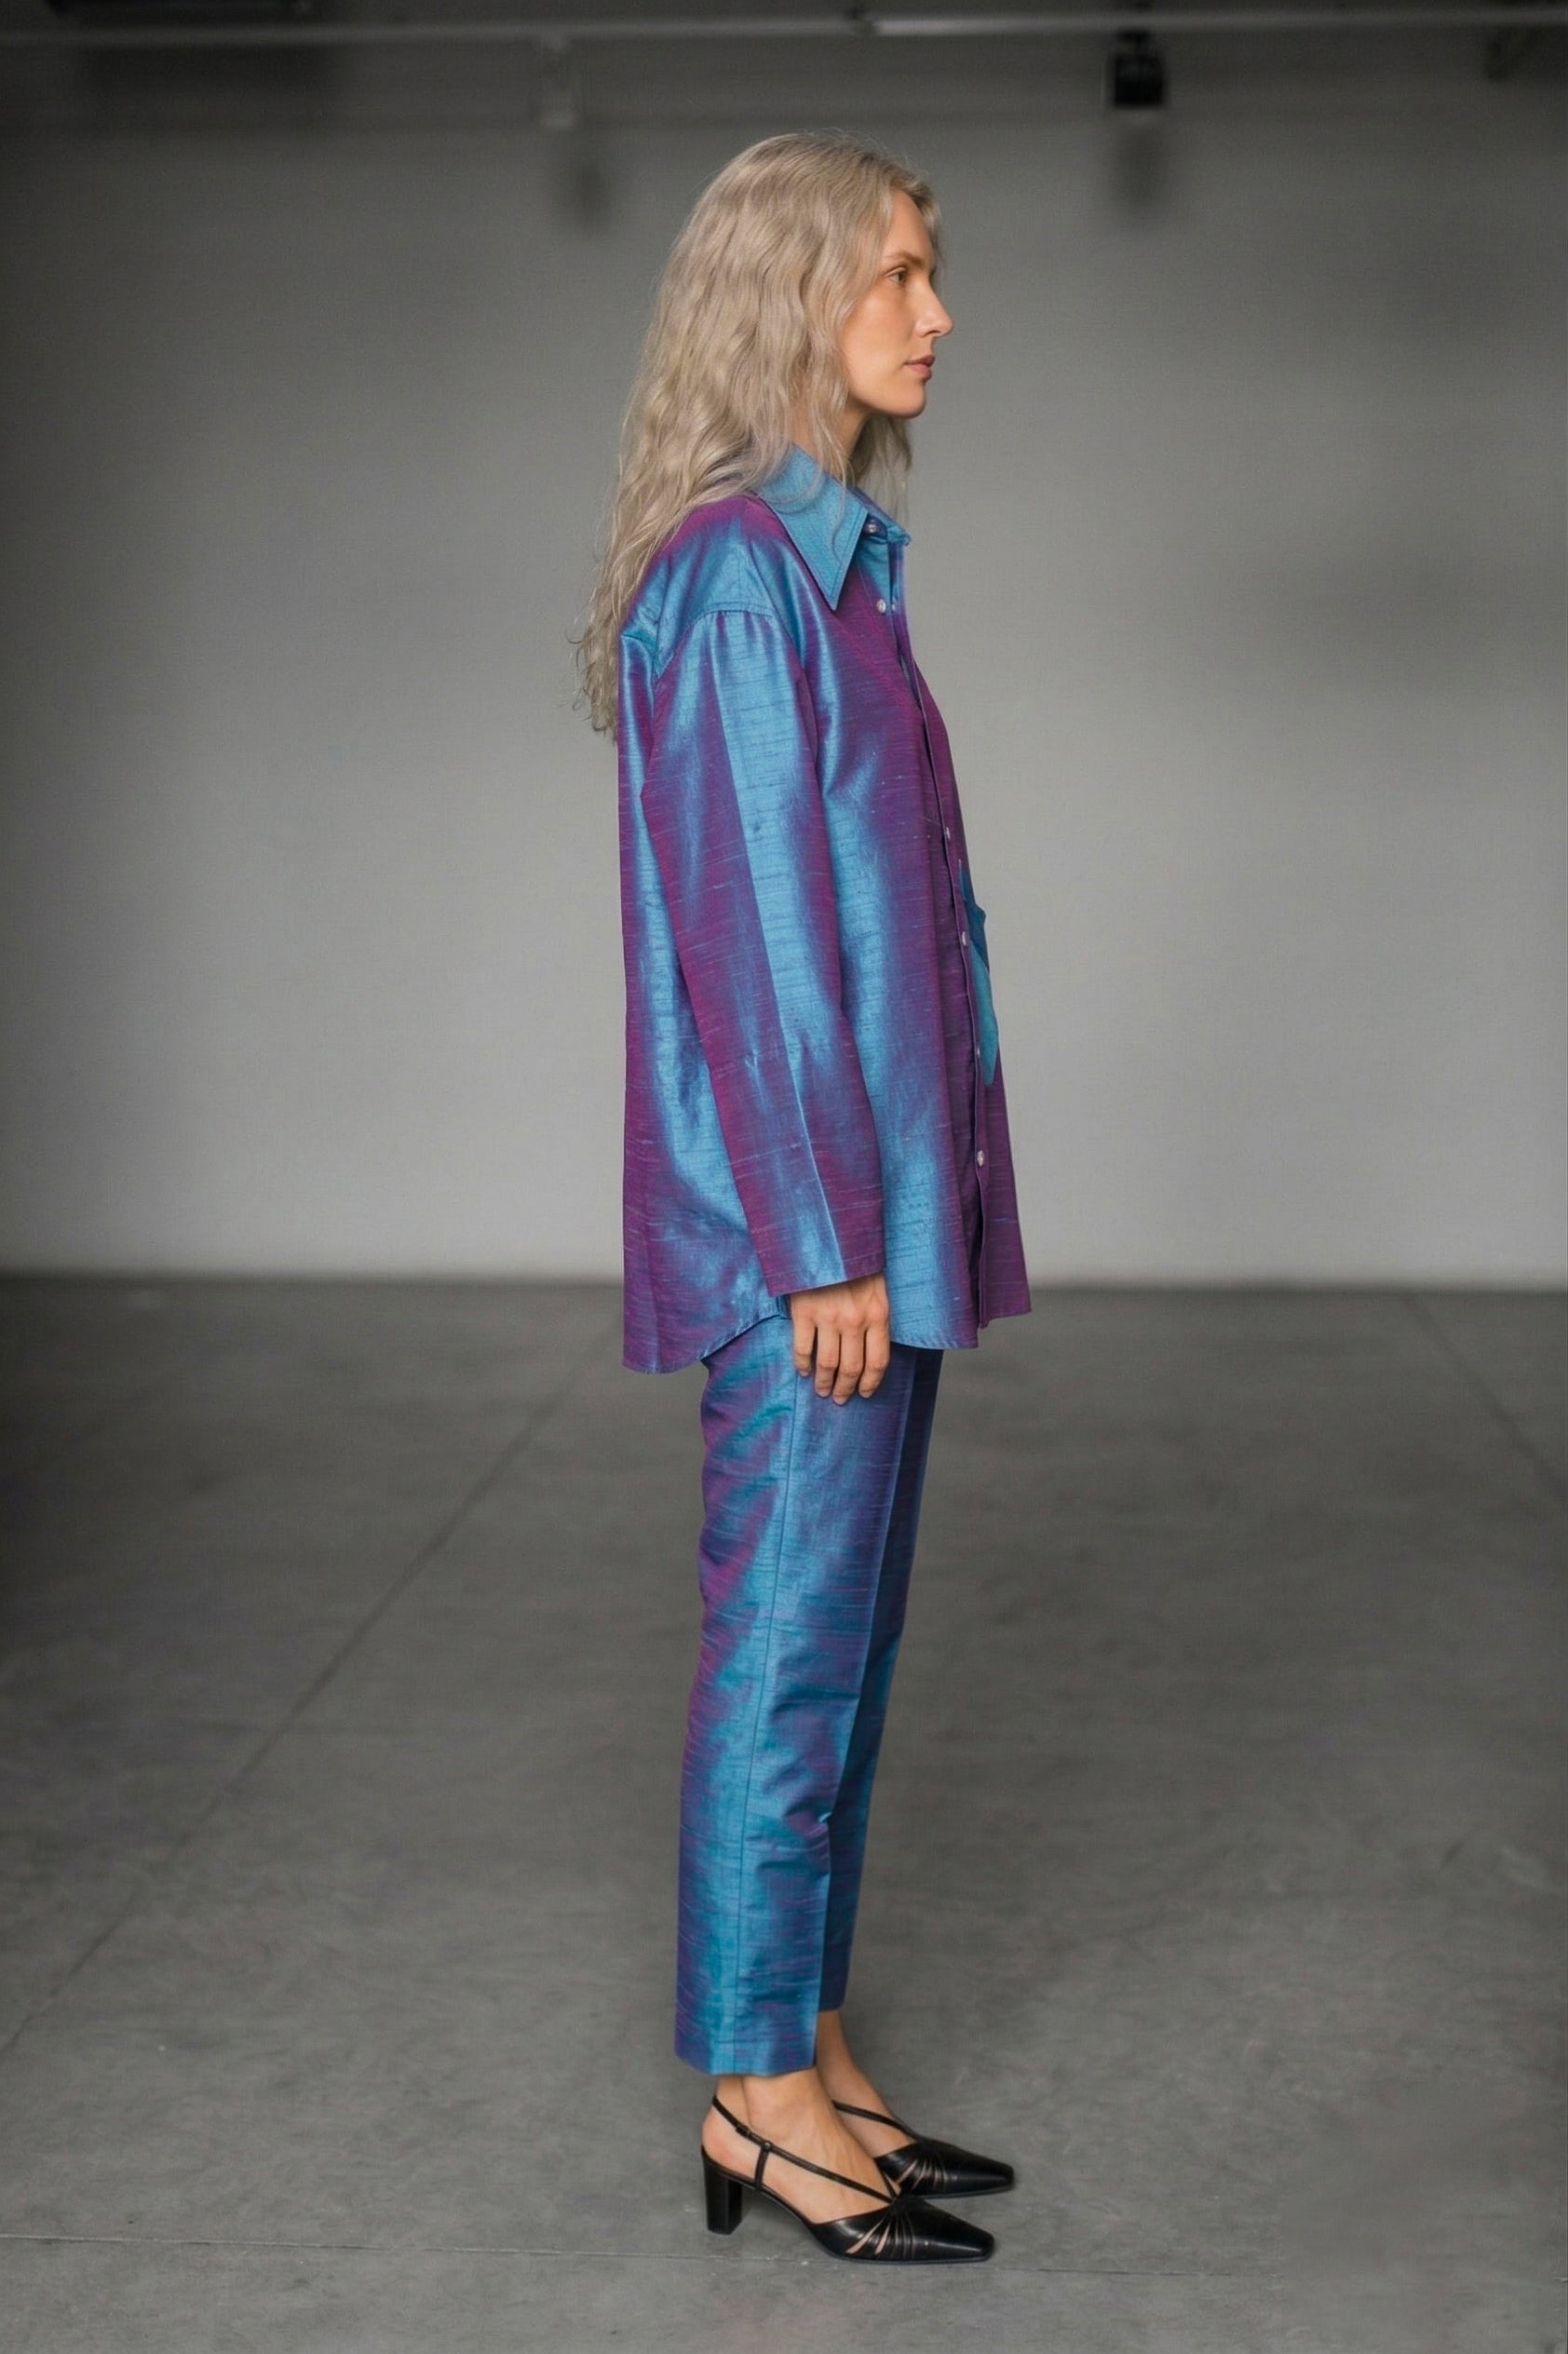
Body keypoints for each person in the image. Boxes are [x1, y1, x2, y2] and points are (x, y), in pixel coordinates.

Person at [576, 131, 1032, 2266]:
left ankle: (813, 2044)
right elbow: (757, 947)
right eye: (896, 275)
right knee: (778, 1658)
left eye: (931, 274)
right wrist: (825, 1240)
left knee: (838, 1651)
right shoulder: (734, 576)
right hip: (813, 1249)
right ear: (787, 296)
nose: (933, 314)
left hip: (878, 1225)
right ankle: (753, 2094)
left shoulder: (834, 570)